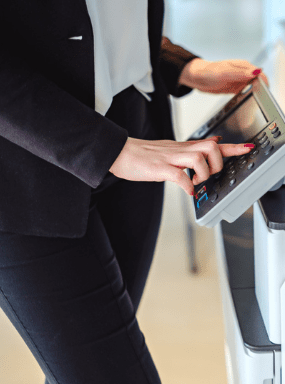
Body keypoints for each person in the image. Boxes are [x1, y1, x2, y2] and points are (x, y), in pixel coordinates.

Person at [0, 1, 265, 383]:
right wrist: (110, 149)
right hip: (27, 175)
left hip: (135, 139)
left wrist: (182, 65)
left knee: (83, 366)